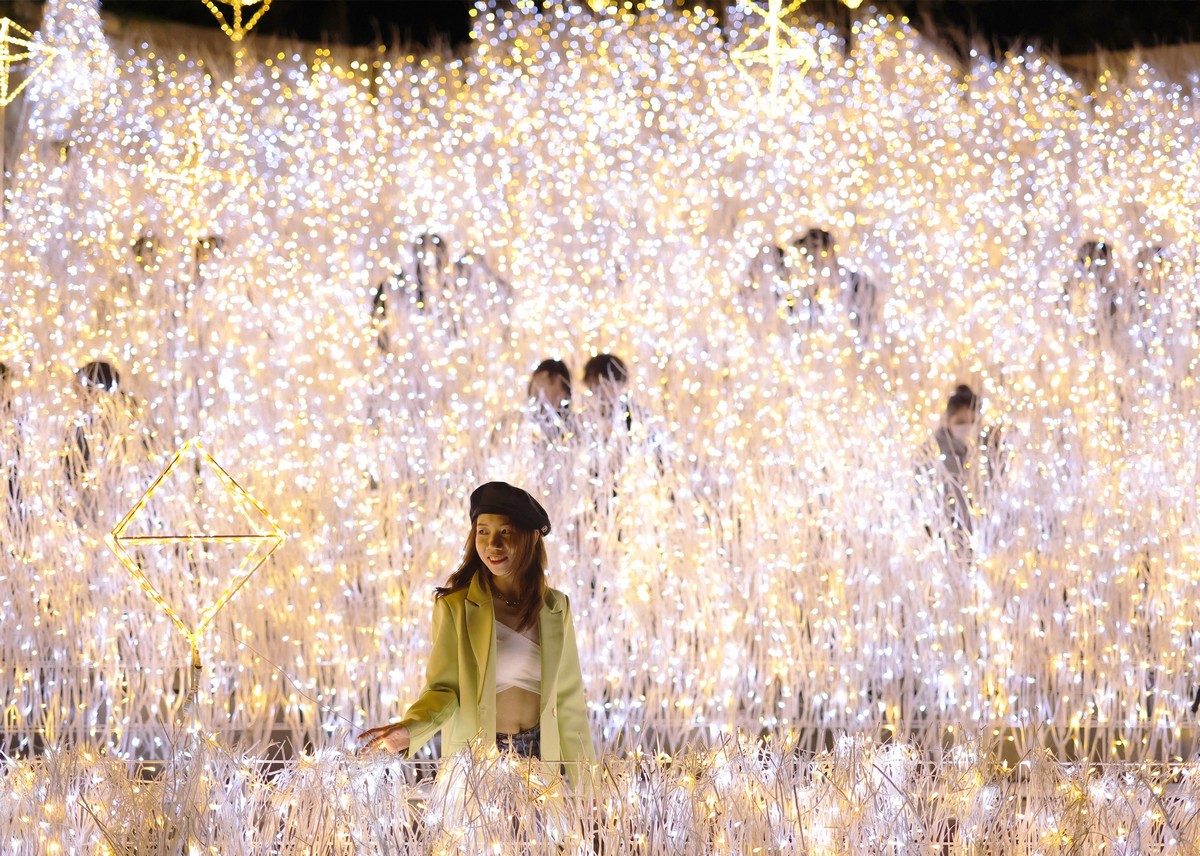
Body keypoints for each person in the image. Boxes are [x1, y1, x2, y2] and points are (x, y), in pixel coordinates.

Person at [358, 482, 596, 784]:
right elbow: (444, 690)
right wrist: (411, 729)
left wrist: (588, 788)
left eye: (505, 532)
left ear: (533, 537)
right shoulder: (455, 607)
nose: (493, 545)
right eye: (483, 532)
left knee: (549, 833)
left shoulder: (556, 607)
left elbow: (568, 701)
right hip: (479, 759)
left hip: (542, 759)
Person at [932, 384, 979, 544]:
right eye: (960, 421)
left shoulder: (983, 454)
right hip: (945, 545)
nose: (967, 427)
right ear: (947, 420)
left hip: (980, 542)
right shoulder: (932, 455)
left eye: (972, 421)